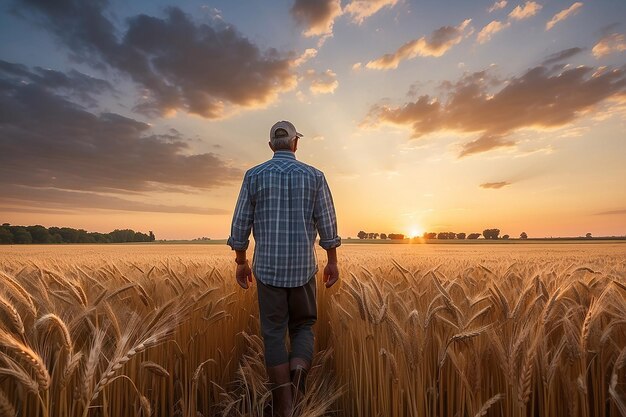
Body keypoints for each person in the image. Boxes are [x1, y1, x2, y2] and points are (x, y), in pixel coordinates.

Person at [227, 120, 341, 416]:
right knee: (303, 326)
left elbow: (240, 224)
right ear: (295, 144)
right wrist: (332, 261)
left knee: (274, 334)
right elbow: (327, 223)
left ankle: (284, 405)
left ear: (270, 146)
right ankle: (299, 384)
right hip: (303, 270)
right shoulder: (315, 176)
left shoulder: (254, 176)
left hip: (268, 271)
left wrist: (241, 261)